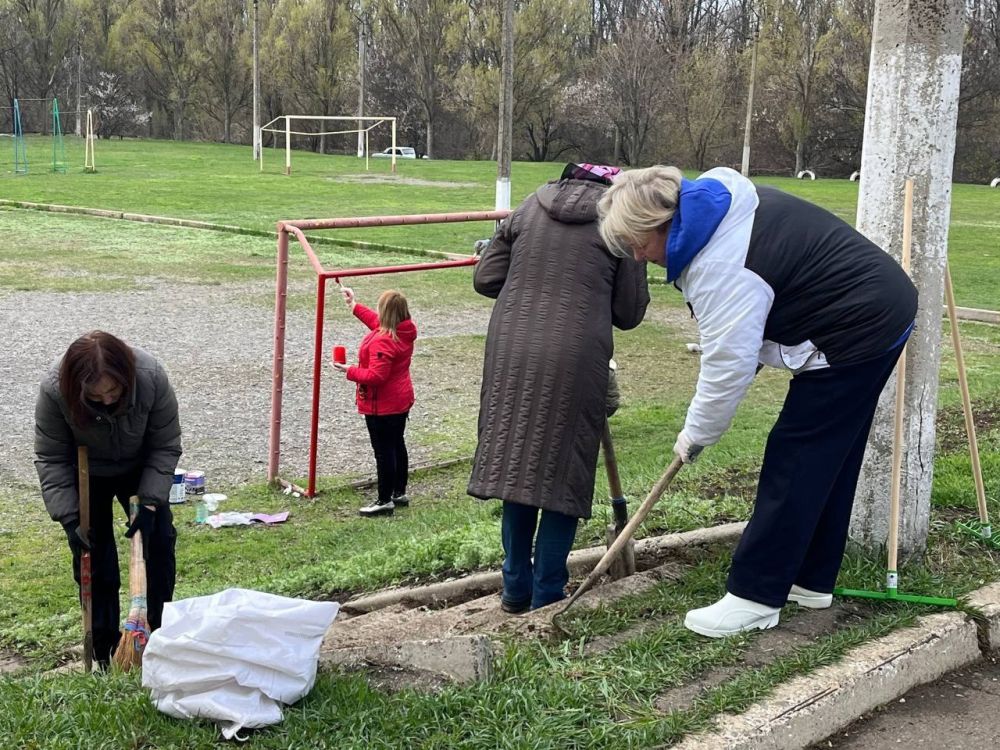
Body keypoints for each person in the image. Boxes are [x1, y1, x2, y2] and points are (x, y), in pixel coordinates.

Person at [598, 166, 917, 637]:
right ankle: (810, 581)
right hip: (879, 308)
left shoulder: (721, 264)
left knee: (796, 456)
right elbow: (746, 340)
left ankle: (755, 596)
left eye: (636, 242)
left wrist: (696, 434)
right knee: (829, 456)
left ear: (660, 222)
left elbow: (728, 364)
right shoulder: (717, 209)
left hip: (858, 325)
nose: (637, 255)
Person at [468, 163, 650, 613]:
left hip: (511, 354)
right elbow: (629, 312)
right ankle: (548, 593)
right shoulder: (616, 223)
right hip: (575, 359)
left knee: (518, 473)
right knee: (563, 476)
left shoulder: (530, 205)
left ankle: (514, 588)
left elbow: (485, 278)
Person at [34, 331, 182, 667]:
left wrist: (149, 501)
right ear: (77, 387)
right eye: (95, 396)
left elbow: (165, 444)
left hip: (140, 466)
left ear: (126, 377)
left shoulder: (151, 377)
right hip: (86, 473)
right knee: (93, 556)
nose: (106, 400)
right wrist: (70, 517)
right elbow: (50, 457)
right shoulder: (54, 389)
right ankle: (102, 649)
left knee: (157, 544)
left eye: (114, 391)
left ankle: (157, 635)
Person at [333, 287, 417, 517]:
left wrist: (349, 370)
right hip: (400, 400)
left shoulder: (383, 341)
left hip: (383, 406)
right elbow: (376, 322)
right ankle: (399, 492)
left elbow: (376, 377)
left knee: (384, 451)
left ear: (386, 314)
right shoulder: (403, 331)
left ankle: (384, 499)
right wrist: (354, 305)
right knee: (397, 445)